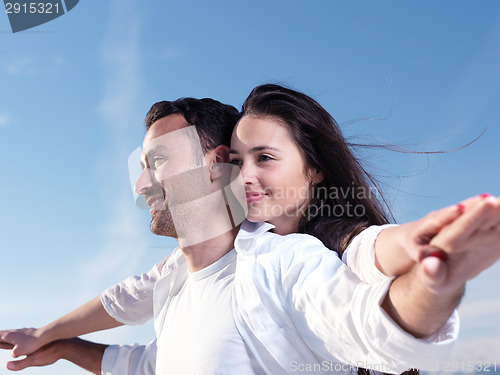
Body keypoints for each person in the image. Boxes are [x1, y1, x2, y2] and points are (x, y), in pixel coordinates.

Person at [1, 89, 499, 374]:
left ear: (215, 167)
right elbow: (143, 356)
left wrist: (433, 283)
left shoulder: (282, 264)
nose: (140, 181)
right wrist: (57, 341)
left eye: (156, 162)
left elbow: (369, 320)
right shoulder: (175, 281)